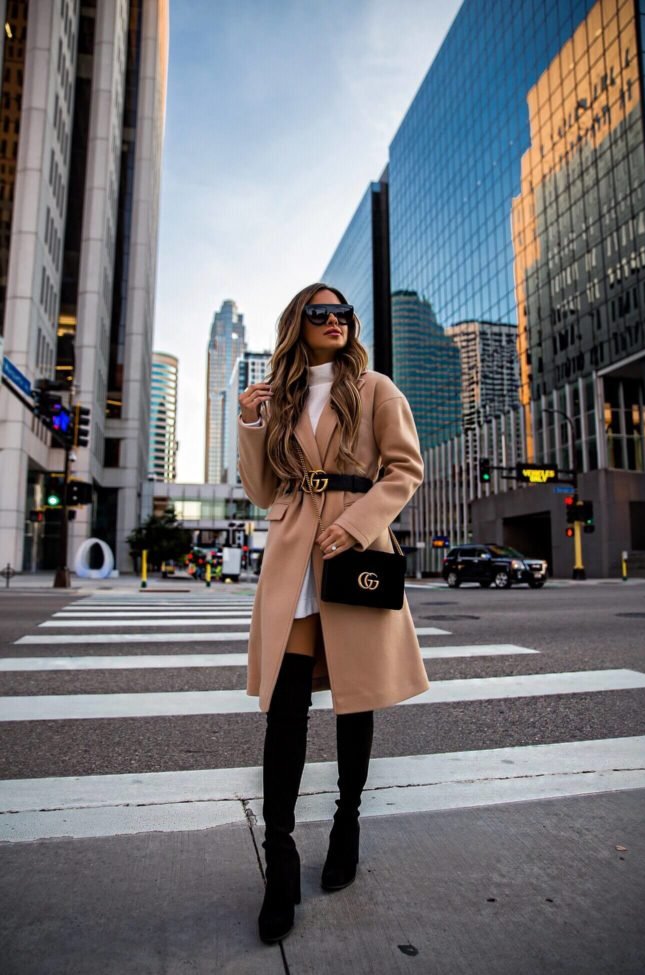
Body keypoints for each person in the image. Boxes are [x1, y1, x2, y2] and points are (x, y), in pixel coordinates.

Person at [237, 282, 429, 945]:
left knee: (356, 698)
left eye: (342, 312)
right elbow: (262, 489)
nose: (334, 321)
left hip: (354, 552)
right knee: (286, 708)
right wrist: (251, 422)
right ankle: (281, 857)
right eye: (320, 313)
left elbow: (405, 469)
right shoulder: (279, 397)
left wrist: (355, 523)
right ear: (298, 323)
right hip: (293, 554)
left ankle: (347, 820)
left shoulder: (375, 388)